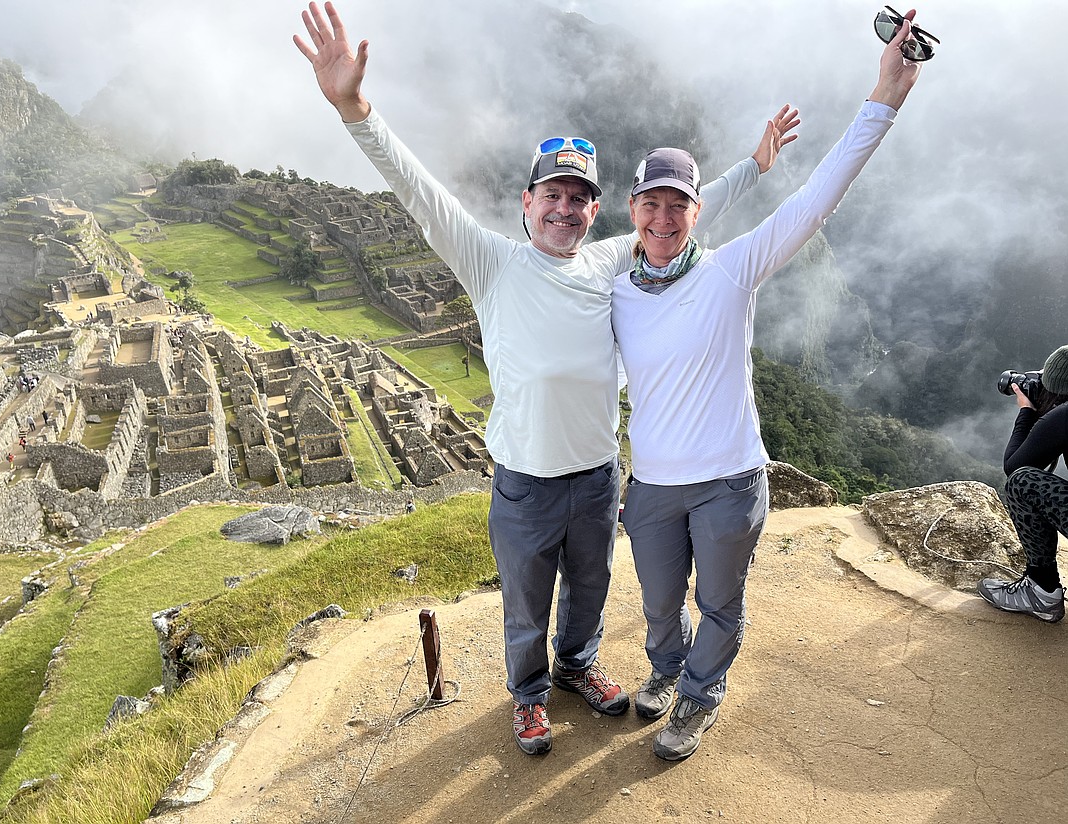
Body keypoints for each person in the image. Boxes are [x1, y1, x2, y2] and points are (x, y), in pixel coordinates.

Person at [293, 0, 796, 755]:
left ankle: (577, 667)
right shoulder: (491, 262)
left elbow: (683, 214)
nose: (565, 208)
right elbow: (419, 191)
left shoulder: (609, 259)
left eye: (579, 198)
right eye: (552, 194)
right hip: (525, 478)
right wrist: (355, 110)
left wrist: (753, 167)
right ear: (527, 202)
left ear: (595, 211)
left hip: (595, 475)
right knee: (527, 603)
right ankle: (528, 696)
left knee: (590, 589)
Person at [612, 11, 925, 761]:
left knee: (719, 603)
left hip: (727, 480)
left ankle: (699, 695)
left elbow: (815, 199)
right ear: (632, 210)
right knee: (659, 603)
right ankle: (666, 669)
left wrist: (885, 96)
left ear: (697, 212)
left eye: (678, 205)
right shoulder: (615, 289)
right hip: (651, 486)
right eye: (651, 203)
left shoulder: (732, 269)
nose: (663, 218)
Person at [977, 345, 1068, 623]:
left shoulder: (1064, 416)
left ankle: (1041, 591)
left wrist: (1027, 411)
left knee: (1022, 483)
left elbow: (1014, 467)